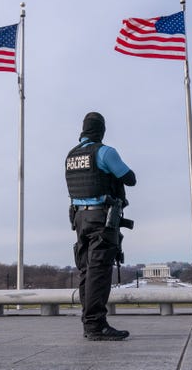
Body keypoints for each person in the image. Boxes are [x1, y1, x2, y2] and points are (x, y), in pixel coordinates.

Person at [65, 112, 136, 341]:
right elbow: (130, 178)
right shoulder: (104, 152)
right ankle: (96, 325)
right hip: (100, 218)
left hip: (79, 219)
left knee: (87, 269)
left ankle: (89, 323)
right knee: (99, 270)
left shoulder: (71, 155)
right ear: (101, 130)